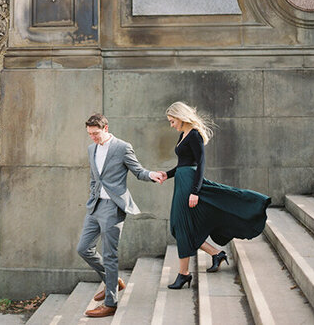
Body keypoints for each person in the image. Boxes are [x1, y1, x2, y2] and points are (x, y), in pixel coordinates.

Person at [159, 101, 271, 290]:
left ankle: (184, 274)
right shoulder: (183, 134)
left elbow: (201, 163)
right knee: (179, 226)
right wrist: (166, 174)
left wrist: (195, 191)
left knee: (182, 226)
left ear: (180, 117)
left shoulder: (194, 134)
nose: (171, 125)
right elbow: (184, 163)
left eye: (172, 121)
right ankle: (216, 254)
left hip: (189, 185)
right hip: (182, 181)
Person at [77, 113, 164, 318]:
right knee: (83, 249)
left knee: (109, 254)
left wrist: (151, 175)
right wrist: (92, 195)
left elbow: (138, 170)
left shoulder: (122, 147)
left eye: (96, 133)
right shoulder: (92, 149)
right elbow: (94, 178)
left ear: (106, 128)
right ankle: (112, 280)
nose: (93, 137)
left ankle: (110, 303)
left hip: (113, 207)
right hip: (95, 205)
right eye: (89, 134)